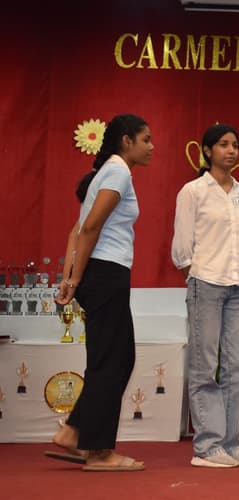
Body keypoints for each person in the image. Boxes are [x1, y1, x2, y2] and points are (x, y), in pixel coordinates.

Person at [47, 113, 153, 471]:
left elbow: (76, 230)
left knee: (114, 358)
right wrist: (74, 279)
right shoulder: (118, 172)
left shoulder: (106, 172)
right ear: (126, 141)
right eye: (146, 139)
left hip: (100, 272)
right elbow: (90, 227)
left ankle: (74, 431)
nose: (151, 147)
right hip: (105, 272)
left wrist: (70, 277)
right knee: (112, 361)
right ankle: (99, 451)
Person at [171, 124, 239, 468]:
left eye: (235, 145)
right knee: (204, 365)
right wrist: (194, 276)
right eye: (223, 144)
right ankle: (207, 446)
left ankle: (230, 444)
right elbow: (182, 246)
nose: (231, 150)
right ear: (207, 151)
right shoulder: (193, 191)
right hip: (205, 281)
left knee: (237, 366)